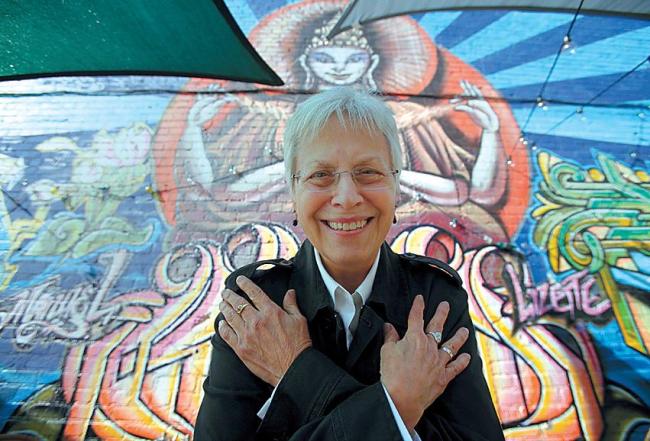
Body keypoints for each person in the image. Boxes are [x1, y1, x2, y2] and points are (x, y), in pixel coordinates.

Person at [193, 87, 505, 440]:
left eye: (368, 172)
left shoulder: (433, 298)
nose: (346, 198)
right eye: (320, 175)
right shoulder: (258, 306)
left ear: (396, 186)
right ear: (293, 193)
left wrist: (297, 370)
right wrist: (398, 408)